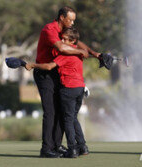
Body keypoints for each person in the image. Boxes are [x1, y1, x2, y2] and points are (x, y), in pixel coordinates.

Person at [34, 6, 100, 158]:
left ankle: (56, 146)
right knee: (50, 112)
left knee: (61, 110)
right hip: (45, 73)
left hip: (57, 71)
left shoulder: (63, 32)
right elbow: (62, 47)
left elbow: (76, 42)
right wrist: (81, 53)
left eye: (73, 20)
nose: (71, 22)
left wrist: (95, 54)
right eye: (69, 19)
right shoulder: (49, 29)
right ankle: (46, 148)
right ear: (61, 18)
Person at [27, 27, 89, 158]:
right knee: (73, 118)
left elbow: (49, 66)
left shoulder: (66, 54)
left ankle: (72, 149)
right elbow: (85, 51)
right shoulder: (79, 54)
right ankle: (83, 147)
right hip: (80, 88)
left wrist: (33, 65)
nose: (61, 40)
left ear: (73, 41)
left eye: (65, 39)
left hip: (69, 89)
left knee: (67, 120)